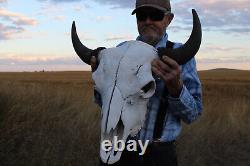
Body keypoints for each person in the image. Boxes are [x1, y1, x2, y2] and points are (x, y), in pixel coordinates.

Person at [91, 0, 203, 165]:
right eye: (142, 16)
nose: (147, 21)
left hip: (159, 156)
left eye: (155, 15)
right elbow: (105, 103)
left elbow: (193, 115)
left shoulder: (182, 58)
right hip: (117, 147)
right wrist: (101, 79)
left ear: (169, 19)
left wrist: (176, 89)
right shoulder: (118, 51)